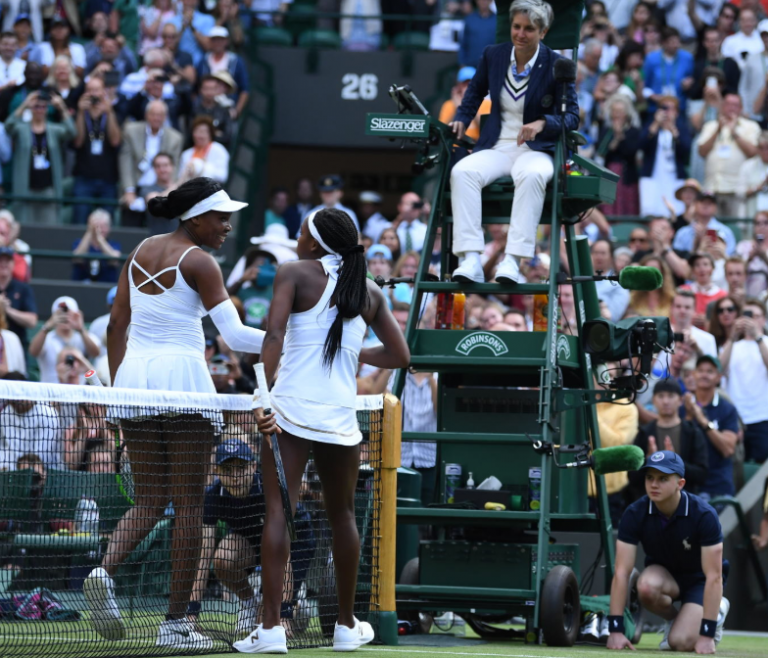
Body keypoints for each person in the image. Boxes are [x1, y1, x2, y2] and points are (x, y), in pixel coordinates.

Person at [82, 178, 266, 651]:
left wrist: (123, 388)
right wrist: (296, 340)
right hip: (182, 379)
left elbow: (117, 324)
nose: (228, 225)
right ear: (196, 218)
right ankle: (175, 624)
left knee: (148, 499)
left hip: (136, 379)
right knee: (188, 504)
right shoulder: (200, 261)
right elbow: (237, 337)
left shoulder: (142, 248)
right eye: (221, 217)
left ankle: (103, 571)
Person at [241, 207, 410, 653]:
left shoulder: (293, 272)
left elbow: (273, 336)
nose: (297, 241)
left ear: (314, 243)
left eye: (301, 234)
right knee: (344, 517)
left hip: (291, 410)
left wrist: (261, 394)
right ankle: (346, 627)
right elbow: (399, 355)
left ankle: (272, 629)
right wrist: (355, 350)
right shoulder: (370, 291)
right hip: (340, 416)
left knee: (279, 512)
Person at [449, 0, 578, 285]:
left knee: (531, 175)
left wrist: (544, 123)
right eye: (516, 26)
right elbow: (473, 95)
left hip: (538, 150)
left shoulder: (559, 65)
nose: (520, 34)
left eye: (529, 29)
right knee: (463, 172)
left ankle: (513, 261)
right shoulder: (492, 55)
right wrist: (461, 117)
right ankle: (470, 258)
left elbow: (572, 118)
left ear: (543, 32)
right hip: (498, 145)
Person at [606, 450, 729, 653]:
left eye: (663, 479)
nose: (654, 484)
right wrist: (615, 630)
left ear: (680, 484)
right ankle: (678, 621)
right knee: (644, 586)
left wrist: (707, 634)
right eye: (650, 478)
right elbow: (621, 572)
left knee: (680, 643)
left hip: (701, 581)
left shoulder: (704, 514)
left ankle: (716, 613)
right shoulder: (634, 513)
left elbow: (714, 576)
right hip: (665, 577)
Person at [4, 89, 75, 224]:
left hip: (48, 188)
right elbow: (8, 126)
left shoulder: (54, 129)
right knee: (24, 227)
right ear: (31, 108)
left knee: (50, 228)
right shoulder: (22, 129)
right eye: (36, 106)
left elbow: (72, 132)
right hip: (26, 187)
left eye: (43, 106)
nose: (39, 110)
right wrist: (25, 104)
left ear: (47, 109)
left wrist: (61, 107)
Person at [630, 379, 709, 499]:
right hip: (651, 502)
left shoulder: (692, 432)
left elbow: (702, 475)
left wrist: (676, 462)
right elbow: (632, 477)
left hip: (685, 500)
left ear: (680, 400)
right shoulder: (644, 433)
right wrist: (648, 462)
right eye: (661, 396)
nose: (666, 401)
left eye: (671, 396)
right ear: (654, 400)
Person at [683, 355, 740, 500]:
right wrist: (689, 417)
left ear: (718, 377)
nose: (704, 375)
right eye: (700, 370)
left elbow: (728, 449)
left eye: (710, 371)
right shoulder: (683, 407)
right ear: (694, 374)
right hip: (687, 485)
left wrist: (703, 420)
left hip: (718, 486)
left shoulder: (727, 409)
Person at [118, 100, 183, 226]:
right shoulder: (131, 131)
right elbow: (125, 162)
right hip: (136, 187)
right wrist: (129, 190)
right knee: (131, 227)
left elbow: (174, 167)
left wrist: (169, 191)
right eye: (153, 114)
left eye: (160, 115)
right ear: (146, 115)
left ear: (165, 117)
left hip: (160, 189)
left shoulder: (175, 138)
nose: (156, 118)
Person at [697, 94, 761, 218]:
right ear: (721, 106)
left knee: (736, 226)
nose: (731, 108)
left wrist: (734, 133)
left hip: (736, 189)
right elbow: (702, 151)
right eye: (728, 104)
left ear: (741, 108)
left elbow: (753, 152)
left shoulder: (750, 126)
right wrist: (718, 130)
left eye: (735, 105)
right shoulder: (710, 126)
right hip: (712, 188)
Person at [721, 298, 768, 462]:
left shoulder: (766, 343)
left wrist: (758, 337)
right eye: (747, 316)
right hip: (736, 419)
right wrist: (732, 337)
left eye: (755, 316)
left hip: (762, 417)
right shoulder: (732, 345)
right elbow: (718, 370)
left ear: (764, 319)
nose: (750, 321)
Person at [72, 74, 122, 224]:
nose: (94, 94)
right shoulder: (80, 113)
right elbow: (77, 141)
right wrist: (81, 112)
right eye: (90, 90)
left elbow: (115, 141)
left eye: (97, 90)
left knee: (107, 223)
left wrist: (109, 112)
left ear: (103, 92)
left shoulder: (113, 112)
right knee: (80, 219)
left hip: (108, 178)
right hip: (83, 177)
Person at [638, 95, 691, 218]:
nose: (667, 112)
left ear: (677, 112)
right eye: (664, 108)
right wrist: (655, 124)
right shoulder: (652, 126)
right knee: (651, 212)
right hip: (653, 177)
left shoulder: (682, 128)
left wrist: (674, 131)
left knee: (675, 212)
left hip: (674, 178)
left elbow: (686, 150)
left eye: (671, 109)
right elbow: (640, 145)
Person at [28, 296, 100, 384]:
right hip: (51, 391)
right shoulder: (47, 338)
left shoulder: (84, 336)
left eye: (69, 313)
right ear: (53, 316)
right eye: (60, 314)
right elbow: (33, 352)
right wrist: (47, 327)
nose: (65, 317)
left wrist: (81, 329)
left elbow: (96, 353)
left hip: (79, 392)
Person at [195, 26, 249, 120]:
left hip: (228, 109)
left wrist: (237, 111)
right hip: (205, 109)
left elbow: (244, 89)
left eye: (220, 39)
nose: (218, 43)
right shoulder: (203, 61)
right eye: (214, 40)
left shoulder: (236, 61)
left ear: (226, 41)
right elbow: (195, 88)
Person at [642, 27, 695, 115]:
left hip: (679, 108)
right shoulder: (651, 59)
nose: (676, 45)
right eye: (672, 42)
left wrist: (688, 84)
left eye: (677, 41)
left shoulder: (687, 58)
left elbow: (692, 79)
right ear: (663, 43)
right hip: (656, 107)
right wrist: (653, 96)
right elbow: (645, 84)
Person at [673, 191, 736, 257]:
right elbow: (677, 257)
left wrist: (723, 254)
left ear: (716, 208)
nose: (705, 205)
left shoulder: (726, 231)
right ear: (694, 205)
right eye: (702, 202)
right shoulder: (683, 232)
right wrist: (697, 243)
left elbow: (732, 257)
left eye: (710, 203)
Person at [0, 244, 36, 354]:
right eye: (1, 260)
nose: (4, 264)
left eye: (8, 260)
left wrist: (7, 310)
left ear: (13, 263)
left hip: (16, 348)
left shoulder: (23, 288)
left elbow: (32, 321)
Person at [71, 209, 122, 283]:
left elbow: (114, 260)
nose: (100, 230)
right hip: (81, 287)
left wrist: (100, 239)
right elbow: (77, 258)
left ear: (109, 228)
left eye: (104, 226)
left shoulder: (114, 244)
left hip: (107, 286)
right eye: (97, 226)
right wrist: (89, 232)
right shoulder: (79, 242)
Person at [177, 115, 229, 184]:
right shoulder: (186, 154)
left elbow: (222, 176)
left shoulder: (219, 150)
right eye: (197, 131)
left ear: (210, 134)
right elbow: (180, 177)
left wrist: (200, 167)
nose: (200, 135)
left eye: (204, 132)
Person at [190, 74, 233, 147]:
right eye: (206, 88)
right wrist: (215, 132)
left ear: (217, 90)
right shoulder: (194, 108)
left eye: (212, 89)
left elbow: (227, 136)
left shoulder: (224, 111)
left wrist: (207, 134)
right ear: (200, 90)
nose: (209, 92)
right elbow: (190, 132)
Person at [142, 152, 178, 235]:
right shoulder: (147, 189)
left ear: (172, 167)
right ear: (153, 169)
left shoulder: (181, 188)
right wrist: (181, 181)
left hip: (179, 240)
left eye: (165, 165)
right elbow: (156, 201)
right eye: (158, 166)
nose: (162, 170)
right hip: (156, 239)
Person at [458, 0, 496, 69]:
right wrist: (462, 63)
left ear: (491, 1)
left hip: (492, 66)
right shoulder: (469, 19)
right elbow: (463, 43)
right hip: (470, 66)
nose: (483, 1)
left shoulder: (497, 20)